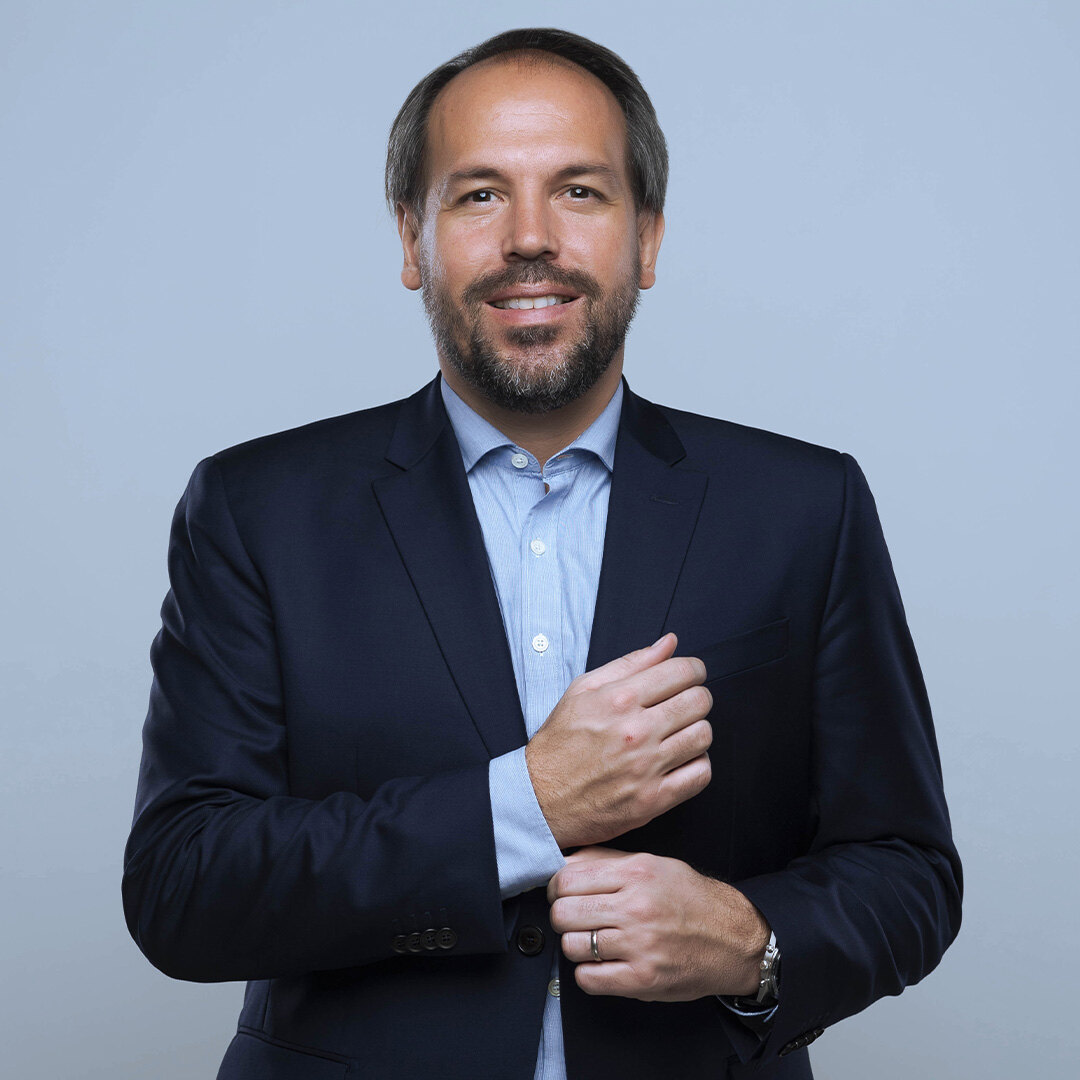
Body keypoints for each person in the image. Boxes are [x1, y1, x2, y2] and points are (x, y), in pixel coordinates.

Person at [123, 27, 961, 1080]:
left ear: (646, 238)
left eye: (580, 191)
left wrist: (752, 943)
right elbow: (183, 887)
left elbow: (907, 870)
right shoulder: (256, 510)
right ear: (411, 239)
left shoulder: (805, 507)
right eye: (479, 194)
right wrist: (527, 806)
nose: (530, 237)